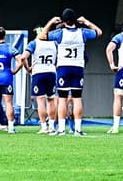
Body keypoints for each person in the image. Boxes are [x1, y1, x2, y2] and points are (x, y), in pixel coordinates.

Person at [39, 8, 102, 136]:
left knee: (62, 99)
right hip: (78, 67)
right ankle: (78, 129)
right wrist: (86, 22)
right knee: (77, 98)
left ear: (63, 20)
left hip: (63, 67)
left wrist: (51, 22)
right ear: (75, 20)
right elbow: (99, 32)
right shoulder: (82, 32)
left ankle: (61, 129)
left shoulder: (59, 33)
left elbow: (42, 36)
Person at [21, 26, 57, 134]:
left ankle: (43, 126)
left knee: (40, 100)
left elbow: (23, 57)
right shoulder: (54, 43)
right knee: (51, 100)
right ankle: (52, 126)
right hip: (51, 72)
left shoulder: (34, 43)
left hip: (38, 73)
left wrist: (28, 69)